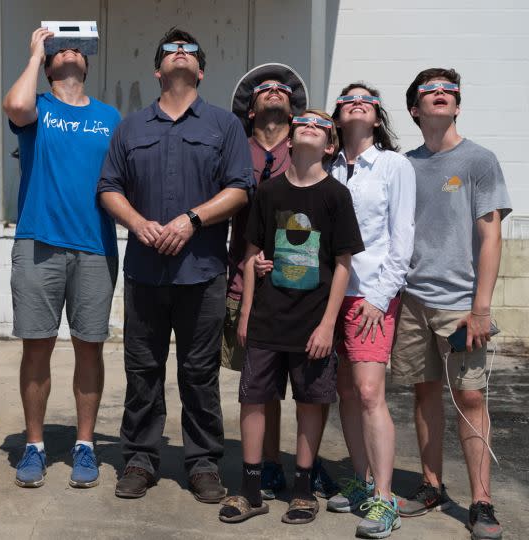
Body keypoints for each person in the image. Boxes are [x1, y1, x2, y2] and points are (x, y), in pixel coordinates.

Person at [98, 27, 253, 502]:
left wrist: (192, 220)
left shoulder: (224, 126)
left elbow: (241, 188)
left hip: (202, 271)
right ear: (158, 69)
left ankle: (203, 462)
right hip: (145, 272)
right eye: (170, 50)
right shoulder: (130, 127)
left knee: (199, 371)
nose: (180, 54)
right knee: (143, 369)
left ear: (200, 70)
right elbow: (108, 188)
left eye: (188, 50)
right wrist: (137, 222)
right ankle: (141, 460)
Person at [218, 110, 363, 525]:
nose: (310, 126)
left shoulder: (336, 196)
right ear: (291, 138)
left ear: (330, 145)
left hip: (313, 322)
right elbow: (250, 256)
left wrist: (327, 325)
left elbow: (342, 265)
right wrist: (246, 312)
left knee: (310, 403)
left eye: (320, 125)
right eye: (303, 122)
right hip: (267, 317)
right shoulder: (269, 192)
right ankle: (249, 489)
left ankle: (302, 489)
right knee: (253, 398)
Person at [391, 68, 509, 540]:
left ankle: (481, 500)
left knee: (471, 397)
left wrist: (481, 307)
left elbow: (491, 234)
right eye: (430, 91)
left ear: (457, 107)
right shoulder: (404, 165)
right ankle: (431, 485)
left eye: (449, 92)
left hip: (460, 306)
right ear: (415, 109)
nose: (441, 95)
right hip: (413, 301)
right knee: (424, 394)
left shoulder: (480, 160)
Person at [3, 26, 121, 489]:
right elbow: (15, 105)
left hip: (95, 246)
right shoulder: (37, 109)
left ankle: (85, 445)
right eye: (58, 49)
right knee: (37, 346)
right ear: (49, 65)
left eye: (76, 47)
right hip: (38, 242)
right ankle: (34, 446)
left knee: (89, 346)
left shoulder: (110, 116)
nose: (68, 50)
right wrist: (35, 51)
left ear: (88, 63)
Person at [228, 63, 341, 501]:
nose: (274, 91)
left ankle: (304, 471)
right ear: (250, 108)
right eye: (264, 88)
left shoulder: (322, 172)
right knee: (260, 384)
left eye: (282, 88)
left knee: (314, 386)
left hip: (312, 294)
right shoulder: (236, 148)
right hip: (251, 285)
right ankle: (267, 466)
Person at [323, 82, 416, 538]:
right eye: (347, 98)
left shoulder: (394, 166)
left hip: (370, 295)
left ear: (377, 117)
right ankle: (362, 485)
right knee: (345, 389)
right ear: (338, 117)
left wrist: (381, 299)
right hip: (330, 295)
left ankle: (385, 499)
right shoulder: (328, 166)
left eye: (367, 98)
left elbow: (402, 239)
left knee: (368, 393)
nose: (357, 101)